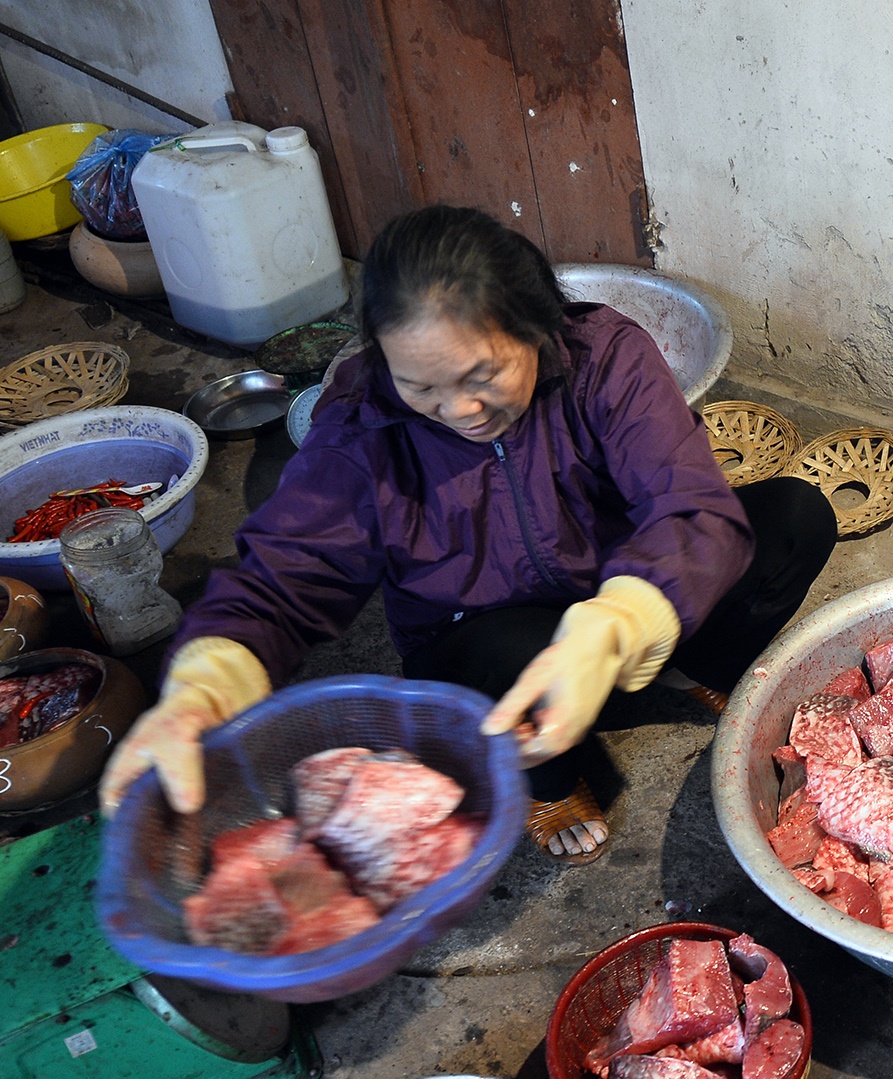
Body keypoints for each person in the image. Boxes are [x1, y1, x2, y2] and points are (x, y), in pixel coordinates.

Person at [100, 205, 838, 863]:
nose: (461, 410)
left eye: (484, 375)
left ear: (537, 327)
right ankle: (551, 780)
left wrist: (611, 627)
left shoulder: (604, 360)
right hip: (492, 651)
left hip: (617, 611)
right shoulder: (363, 427)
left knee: (791, 520)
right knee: (508, 652)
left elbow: (693, 510)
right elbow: (276, 580)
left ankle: (691, 667)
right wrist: (198, 693)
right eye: (422, 386)